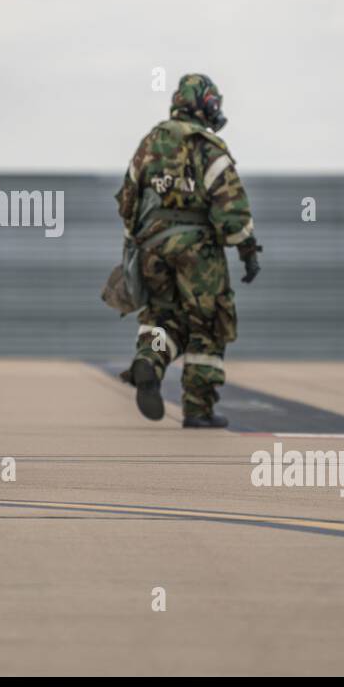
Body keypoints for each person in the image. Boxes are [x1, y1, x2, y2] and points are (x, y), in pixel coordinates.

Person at [116, 73, 260, 428]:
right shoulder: (207, 147)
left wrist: (136, 244)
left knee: (165, 317)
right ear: (204, 105)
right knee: (208, 325)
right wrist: (247, 250)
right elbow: (231, 206)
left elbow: (128, 199)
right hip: (198, 253)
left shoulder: (149, 143)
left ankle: (149, 360)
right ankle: (198, 409)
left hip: (151, 248)